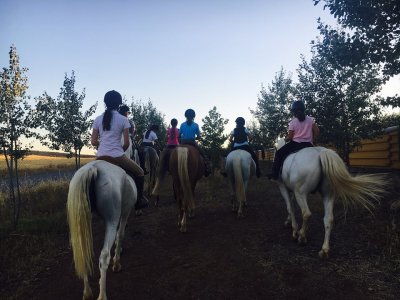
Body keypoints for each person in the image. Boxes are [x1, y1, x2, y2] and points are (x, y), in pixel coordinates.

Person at [91, 90, 148, 210]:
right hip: (117, 156)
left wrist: (103, 144)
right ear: (119, 104)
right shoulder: (123, 120)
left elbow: (93, 142)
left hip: (100, 156)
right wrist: (117, 150)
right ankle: (139, 201)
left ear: (105, 103)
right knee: (140, 172)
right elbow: (127, 143)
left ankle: (90, 202)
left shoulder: (97, 119)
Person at [269, 100, 320, 181]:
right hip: (308, 145)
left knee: (279, 153)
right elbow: (317, 131)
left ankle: (275, 175)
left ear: (294, 112)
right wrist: (313, 140)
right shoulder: (310, 120)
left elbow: (290, 137)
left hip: (295, 144)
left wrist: (285, 139)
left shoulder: (292, 122)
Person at [179, 108, 211, 177]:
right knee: (203, 154)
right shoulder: (196, 125)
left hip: (183, 142)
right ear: (193, 116)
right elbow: (199, 137)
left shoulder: (182, 124)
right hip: (192, 143)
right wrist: (195, 138)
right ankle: (207, 168)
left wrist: (182, 139)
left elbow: (179, 135)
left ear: (185, 116)